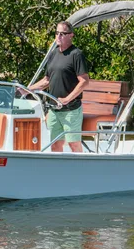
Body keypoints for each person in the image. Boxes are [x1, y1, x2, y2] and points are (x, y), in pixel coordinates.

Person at [27, 21, 90, 152]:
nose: (58, 36)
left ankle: (80, 165)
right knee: (55, 145)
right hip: (54, 109)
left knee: (74, 144)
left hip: (71, 110)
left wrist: (67, 99)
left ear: (71, 35)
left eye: (62, 33)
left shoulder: (76, 55)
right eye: (56, 33)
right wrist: (27, 89)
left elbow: (84, 81)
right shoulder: (53, 54)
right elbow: (46, 80)